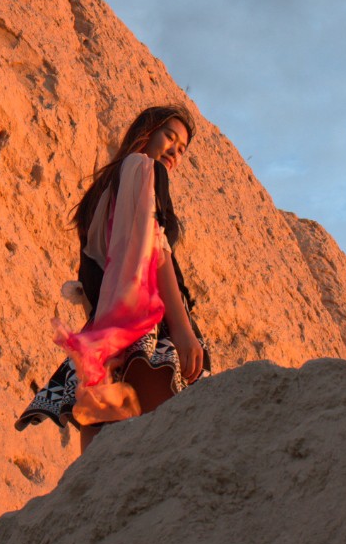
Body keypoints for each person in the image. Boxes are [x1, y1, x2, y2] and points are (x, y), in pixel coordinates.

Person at [15, 105, 209, 447]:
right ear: (146, 131)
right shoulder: (143, 168)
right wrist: (182, 329)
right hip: (143, 325)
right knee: (165, 442)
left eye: (182, 150)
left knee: (104, 448)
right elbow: (154, 249)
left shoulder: (102, 190)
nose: (175, 153)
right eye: (170, 138)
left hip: (106, 333)